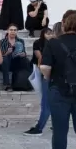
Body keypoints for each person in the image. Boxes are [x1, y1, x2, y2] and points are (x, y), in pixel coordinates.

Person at [40, 10, 76, 149]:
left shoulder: (53, 43)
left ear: (64, 25)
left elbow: (45, 67)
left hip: (59, 90)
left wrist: (48, 77)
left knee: (60, 131)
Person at [23, 28, 53, 136]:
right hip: (48, 72)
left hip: (49, 75)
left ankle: (39, 128)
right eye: (47, 33)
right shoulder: (40, 43)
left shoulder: (53, 45)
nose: (49, 35)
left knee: (46, 103)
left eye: (51, 33)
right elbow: (39, 57)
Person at [0, 23, 27, 91]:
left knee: (25, 60)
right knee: (5, 58)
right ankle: (7, 84)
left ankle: (21, 83)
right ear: (7, 31)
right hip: (4, 64)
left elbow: (24, 52)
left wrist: (23, 54)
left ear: (17, 31)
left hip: (15, 62)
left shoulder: (20, 41)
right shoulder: (2, 41)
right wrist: (7, 53)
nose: (13, 32)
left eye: (15, 30)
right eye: (11, 30)